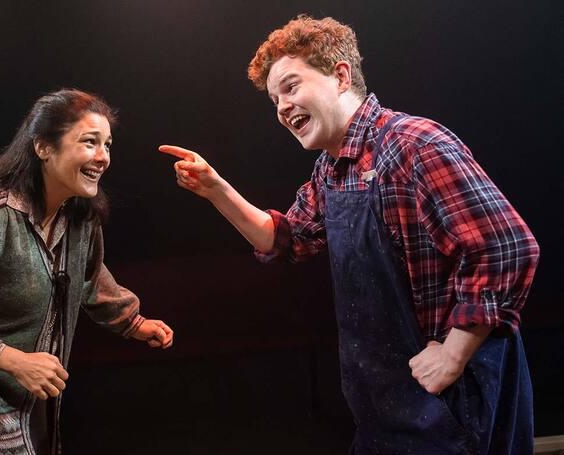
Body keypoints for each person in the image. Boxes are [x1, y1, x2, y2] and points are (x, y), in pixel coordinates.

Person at [159, 15, 538, 454]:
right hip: (388, 407)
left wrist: (453, 355)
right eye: (274, 99)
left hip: (453, 408)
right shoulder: (331, 169)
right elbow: (285, 239)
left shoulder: (414, 144)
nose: (281, 107)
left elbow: (506, 247)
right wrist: (215, 189)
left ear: (340, 76)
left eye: (291, 86)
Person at [0, 88, 174, 454]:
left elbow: (89, 275)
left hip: (28, 408)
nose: (103, 157)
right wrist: (14, 360)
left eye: (108, 145)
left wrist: (133, 322)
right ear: (44, 147)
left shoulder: (80, 216)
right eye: (90, 142)